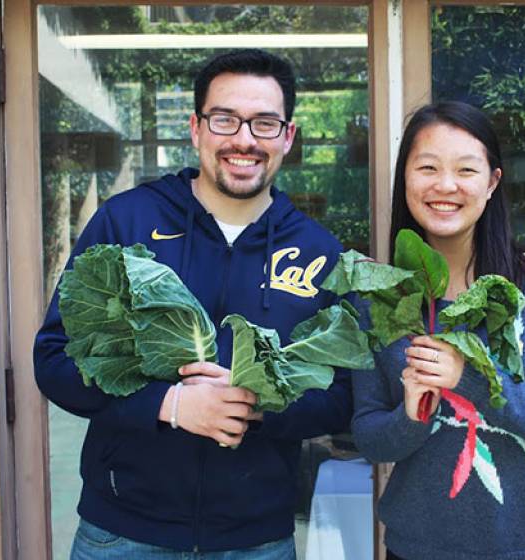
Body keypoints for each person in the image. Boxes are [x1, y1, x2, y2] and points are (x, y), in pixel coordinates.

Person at [34, 49, 352, 559]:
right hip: (123, 535)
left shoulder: (319, 254)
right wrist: (171, 405)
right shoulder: (127, 223)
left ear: (288, 137)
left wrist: (259, 408)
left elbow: (341, 393)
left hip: (256, 542)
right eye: (225, 119)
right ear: (196, 127)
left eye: (265, 123)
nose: (244, 139)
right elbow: (54, 360)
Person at [351, 101, 525, 560]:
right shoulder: (378, 298)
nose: (445, 186)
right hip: (419, 550)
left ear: (492, 182)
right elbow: (369, 438)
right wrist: (410, 416)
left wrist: (472, 378)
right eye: (427, 167)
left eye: (466, 170)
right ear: (405, 178)